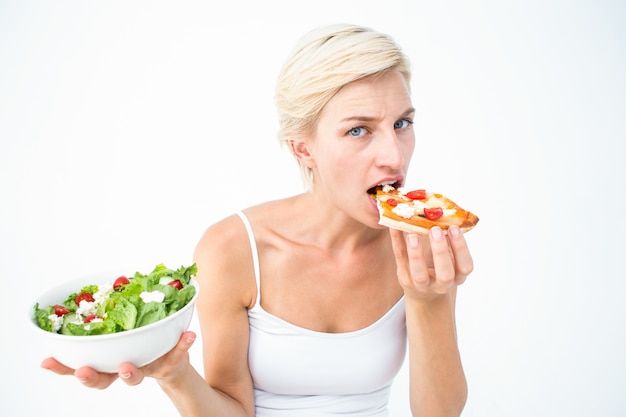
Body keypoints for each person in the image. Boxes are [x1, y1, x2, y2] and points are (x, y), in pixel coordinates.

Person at [42, 23, 473, 417]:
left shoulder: (420, 244)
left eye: (402, 123)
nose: (395, 157)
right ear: (303, 148)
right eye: (358, 130)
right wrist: (175, 374)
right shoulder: (234, 249)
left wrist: (428, 299)